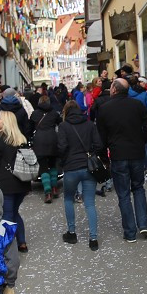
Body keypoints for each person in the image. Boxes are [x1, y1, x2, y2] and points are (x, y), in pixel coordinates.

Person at [96, 78, 147, 243]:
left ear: (113, 89)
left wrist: (104, 155)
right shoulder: (137, 105)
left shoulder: (105, 109)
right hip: (136, 153)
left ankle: (130, 232)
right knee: (138, 188)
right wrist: (140, 141)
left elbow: (101, 137)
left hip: (118, 155)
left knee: (123, 194)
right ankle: (143, 224)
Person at [55, 100, 102, 250]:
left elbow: (61, 147)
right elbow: (99, 145)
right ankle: (93, 239)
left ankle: (72, 233)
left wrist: (62, 161)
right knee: (90, 203)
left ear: (66, 112)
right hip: (88, 168)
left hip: (71, 168)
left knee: (68, 199)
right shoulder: (89, 124)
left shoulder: (63, 126)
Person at [0, 111, 31, 253]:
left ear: (5, 121)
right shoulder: (21, 138)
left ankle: (8, 248)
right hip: (22, 182)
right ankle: (22, 242)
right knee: (14, 212)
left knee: (7, 215)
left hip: (5, 183)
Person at [29, 95, 61, 203]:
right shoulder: (54, 113)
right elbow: (60, 124)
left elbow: (29, 129)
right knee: (52, 165)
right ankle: (55, 188)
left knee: (43, 167)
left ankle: (47, 193)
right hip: (52, 140)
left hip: (39, 141)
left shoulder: (34, 113)